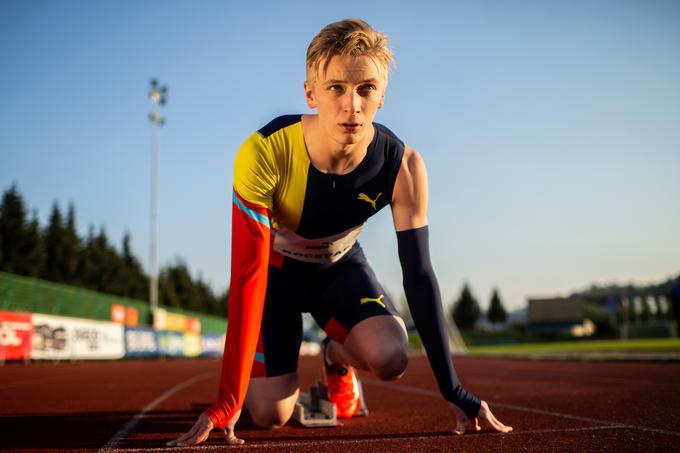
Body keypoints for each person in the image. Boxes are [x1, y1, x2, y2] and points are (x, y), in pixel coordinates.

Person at [168, 19, 512, 447]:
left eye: (366, 88)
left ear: (382, 95)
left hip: (339, 269)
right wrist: (226, 400)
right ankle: (275, 384)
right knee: (267, 414)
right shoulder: (263, 154)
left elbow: (420, 275)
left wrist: (453, 390)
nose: (352, 105)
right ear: (311, 92)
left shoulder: (403, 166)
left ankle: (335, 358)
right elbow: (249, 275)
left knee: (392, 356)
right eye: (336, 88)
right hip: (276, 277)